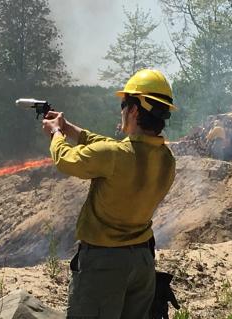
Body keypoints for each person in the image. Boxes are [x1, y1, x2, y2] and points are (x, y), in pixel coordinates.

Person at [42, 69, 177, 319]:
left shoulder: (114, 156)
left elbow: (65, 160)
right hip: (143, 262)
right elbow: (111, 147)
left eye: (124, 104)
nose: (122, 110)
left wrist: (56, 134)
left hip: (105, 265)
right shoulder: (167, 159)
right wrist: (69, 128)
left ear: (135, 110)